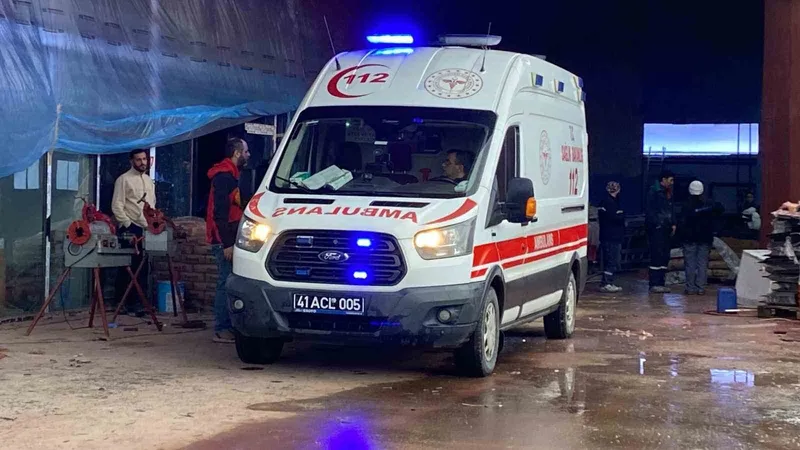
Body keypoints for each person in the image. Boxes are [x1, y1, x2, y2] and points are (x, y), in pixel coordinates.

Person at [206, 137, 250, 343]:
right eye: (246, 152)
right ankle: (222, 328)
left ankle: (228, 325)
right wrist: (227, 244)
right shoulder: (224, 178)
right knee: (225, 282)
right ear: (237, 153)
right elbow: (220, 214)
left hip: (229, 238)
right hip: (224, 240)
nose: (248, 155)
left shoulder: (231, 175)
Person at [111, 149, 155, 315]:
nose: (142, 162)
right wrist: (127, 224)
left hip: (147, 227)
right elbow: (117, 205)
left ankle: (139, 303)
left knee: (143, 267)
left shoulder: (149, 180)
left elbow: (152, 203)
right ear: (131, 161)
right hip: (130, 227)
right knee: (127, 266)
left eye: (144, 159)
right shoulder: (123, 180)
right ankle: (122, 303)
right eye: (138, 160)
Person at [680, 181, 716, 295]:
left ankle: (690, 288)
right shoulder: (708, 205)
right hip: (705, 239)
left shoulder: (686, 205)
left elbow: (682, 222)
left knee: (690, 263)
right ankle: (701, 287)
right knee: (702, 263)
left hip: (689, 239)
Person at [645, 170, 676, 294]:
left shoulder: (667, 193)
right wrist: (657, 224)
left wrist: (673, 223)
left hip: (665, 229)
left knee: (664, 256)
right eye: (670, 180)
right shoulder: (654, 192)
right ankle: (654, 283)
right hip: (657, 229)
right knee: (657, 255)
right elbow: (650, 211)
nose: (672, 183)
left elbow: (671, 210)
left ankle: (661, 282)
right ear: (663, 179)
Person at [597, 181, 625, 293]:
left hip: (607, 235)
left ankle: (606, 282)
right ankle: (607, 283)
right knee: (612, 260)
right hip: (612, 236)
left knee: (609, 260)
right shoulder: (611, 203)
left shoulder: (604, 202)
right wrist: (621, 215)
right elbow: (616, 218)